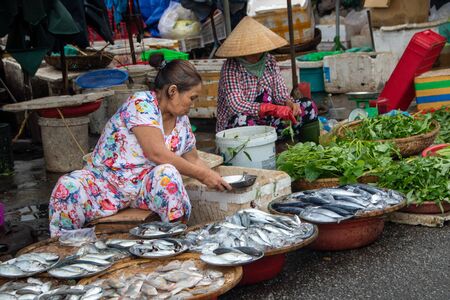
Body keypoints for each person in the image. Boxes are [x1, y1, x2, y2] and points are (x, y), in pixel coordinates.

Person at [48, 55, 232, 237]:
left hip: (142, 190)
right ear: (173, 91)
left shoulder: (182, 121)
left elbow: (193, 159)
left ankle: (175, 239)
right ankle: (65, 247)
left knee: (168, 175)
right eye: (191, 98)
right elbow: (156, 153)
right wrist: (203, 175)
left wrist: (218, 180)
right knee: (68, 186)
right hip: (106, 185)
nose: (192, 104)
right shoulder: (141, 104)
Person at [215, 17, 318, 139]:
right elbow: (236, 105)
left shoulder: (269, 61)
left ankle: (306, 145)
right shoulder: (231, 67)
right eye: (250, 51)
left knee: (307, 105)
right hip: (240, 125)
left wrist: (290, 103)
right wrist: (271, 109)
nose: (256, 54)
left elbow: (280, 95)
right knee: (242, 120)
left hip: (269, 122)